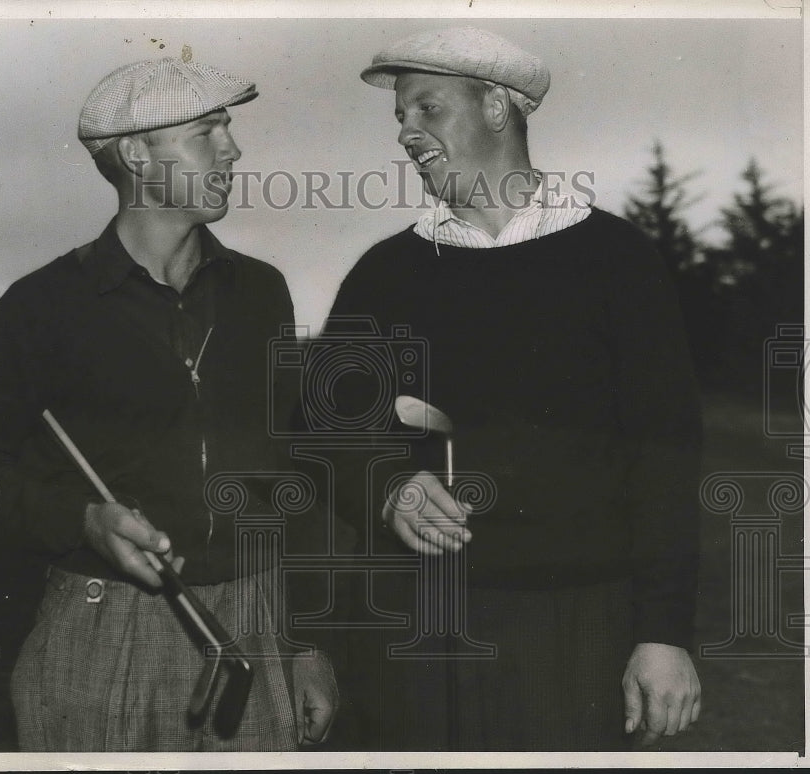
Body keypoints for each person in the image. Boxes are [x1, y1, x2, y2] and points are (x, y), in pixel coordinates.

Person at [0, 55, 337, 752]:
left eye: (230, 128)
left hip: (252, 623)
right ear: (134, 155)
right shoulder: (44, 306)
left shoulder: (261, 293)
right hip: (101, 630)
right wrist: (83, 520)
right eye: (207, 131)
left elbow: (289, 476)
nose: (233, 148)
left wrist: (303, 644)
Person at [323, 26, 702, 751]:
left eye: (426, 108)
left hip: (578, 628)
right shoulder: (385, 273)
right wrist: (385, 484)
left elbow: (666, 457)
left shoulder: (617, 260)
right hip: (416, 628)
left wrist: (663, 633)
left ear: (497, 105)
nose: (406, 132)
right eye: (399, 116)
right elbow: (321, 430)